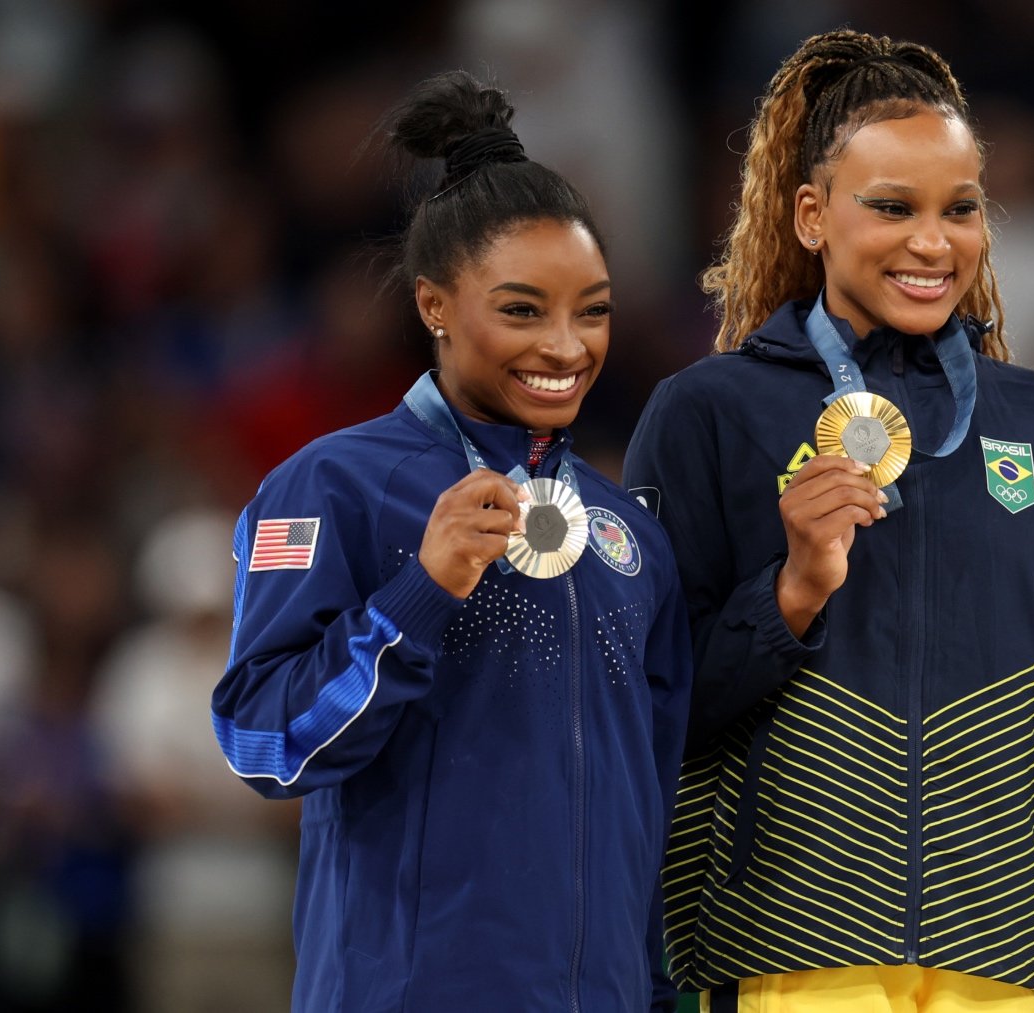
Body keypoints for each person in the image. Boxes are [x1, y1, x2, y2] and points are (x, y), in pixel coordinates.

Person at [624, 29, 1034, 1013]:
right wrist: (790, 591)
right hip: (786, 946)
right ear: (811, 214)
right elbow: (650, 706)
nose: (933, 242)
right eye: (892, 207)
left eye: (959, 208)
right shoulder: (707, 413)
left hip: (994, 950)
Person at [209, 71, 691, 1011]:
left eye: (591, 309)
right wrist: (421, 591)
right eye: (521, 309)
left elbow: (658, 795)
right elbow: (260, 739)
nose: (565, 346)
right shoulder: (336, 485)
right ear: (435, 305)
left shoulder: (628, 533)